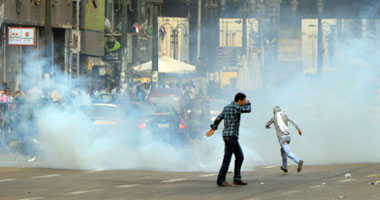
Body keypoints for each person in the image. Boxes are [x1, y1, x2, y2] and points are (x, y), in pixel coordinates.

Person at [206, 93, 251, 187]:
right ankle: (221, 180)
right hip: (232, 136)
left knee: (239, 156)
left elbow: (219, 118)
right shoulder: (236, 107)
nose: (244, 102)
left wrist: (213, 128)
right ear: (239, 100)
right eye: (244, 100)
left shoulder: (226, 107)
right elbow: (248, 110)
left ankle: (237, 178)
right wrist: (248, 103)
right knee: (227, 159)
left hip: (227, 136)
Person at [265, 106, 304, 173]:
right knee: (283, 152)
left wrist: (268, 126)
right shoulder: (285, 116)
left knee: (288, 152)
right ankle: (284, 167)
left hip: (282, 138)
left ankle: (298, 161)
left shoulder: (274, 118)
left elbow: (266, 124)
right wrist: (299, 129)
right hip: (288, 137)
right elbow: (293, 121)